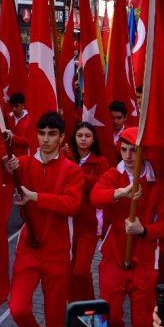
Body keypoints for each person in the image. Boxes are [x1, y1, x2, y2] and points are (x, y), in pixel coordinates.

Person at [4, 111, 85, 327]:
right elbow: (7, 178)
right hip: (28, 248)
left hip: (58, 252)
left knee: (55, 316)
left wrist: (35, 197)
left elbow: (72, 205)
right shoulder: (25, 164)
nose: (46, 139)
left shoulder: (72, 170)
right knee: (17, 308)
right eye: (41, 134)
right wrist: (7, 167)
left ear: (61, 138)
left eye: (52, 134)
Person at [91, 131, 164, 327]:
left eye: (133, 150)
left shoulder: (159, 183)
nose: (127, 156)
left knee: (143, 323)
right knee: (110, 315)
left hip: (145, 261)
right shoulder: (112, 175)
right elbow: (95, 197)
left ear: (143, 151)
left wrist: (143, 230)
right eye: (123, 149)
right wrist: (120, 193)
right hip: (113, 257)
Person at [67, 122, 108, 303]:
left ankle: (91, 310)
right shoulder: (65, 157)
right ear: (74, 138)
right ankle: (75, 310)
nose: (83, 139)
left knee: (81, 270)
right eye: (80, 136)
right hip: (67, 224)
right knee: (69, 271)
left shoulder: (100, 162)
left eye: (88, 136)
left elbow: (100, 187)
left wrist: (77, 172)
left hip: (89, 225)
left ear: (93, 139)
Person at [7, 92, 30, 156]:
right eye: (12, 106)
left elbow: (29, 141)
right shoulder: (7, 118)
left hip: (24, 158)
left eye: (16, 106)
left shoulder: (30, 120)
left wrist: (13, 137)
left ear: (23, 105)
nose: (14, 109)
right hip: (8, 158)